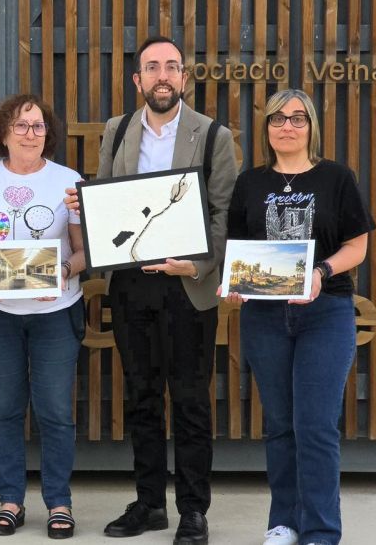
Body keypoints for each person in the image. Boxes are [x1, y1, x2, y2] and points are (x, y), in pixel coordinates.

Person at [65, 36, 239, 544]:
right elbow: (107, 198)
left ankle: (193, 510)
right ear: (137, 79)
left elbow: (224, 213)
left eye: (171, 66)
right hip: (131, 284)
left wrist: (198, 264)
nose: (163, 76)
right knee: (141, 397)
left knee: (190, 400)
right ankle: (149, 503)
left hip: (187, 285)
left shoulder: (213, 135)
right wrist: (87, 209)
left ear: (184, 77)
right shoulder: (118, 130)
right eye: (152, 67)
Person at [224, 89, 373, 545]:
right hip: (264, 316)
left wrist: (321, 272)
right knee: (280, 426)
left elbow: (357, 246)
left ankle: (321, 530)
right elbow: (238, 249)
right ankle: (284, 522)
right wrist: (236, 284)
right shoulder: (249, 183)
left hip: (325, 312)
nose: (286, 126)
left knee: (316, 427)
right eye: (277, 118)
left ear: (311, 126)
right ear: (266, 127)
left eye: (297, 118)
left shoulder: (336, 178)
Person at [0, 93, 86, 540]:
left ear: (48, 134)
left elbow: (85, 251)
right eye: (21, 125)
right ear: (3, 133)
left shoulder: (67, 181)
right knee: (6, 409)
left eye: (38, 126)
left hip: (56, 313)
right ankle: (10, 499)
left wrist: (63, 272)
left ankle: (59, 502)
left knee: (55, 411)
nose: (30, 133)